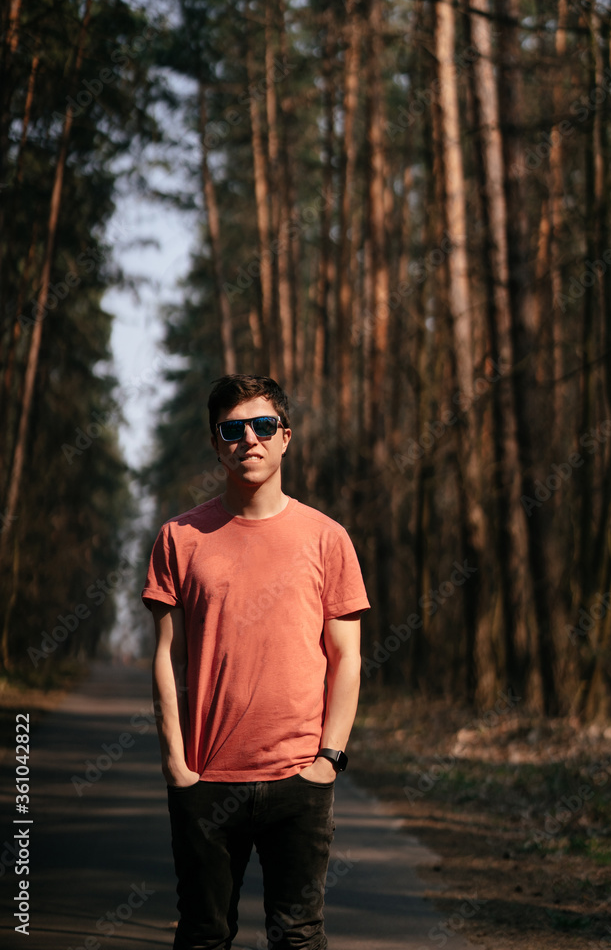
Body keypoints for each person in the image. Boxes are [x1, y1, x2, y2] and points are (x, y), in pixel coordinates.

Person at [142, 373, 369, 950]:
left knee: (297, 936)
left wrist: (329, 759)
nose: (250, 439)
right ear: (217, 444)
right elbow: (167, 656)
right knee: (203, 935)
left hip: (299, 779)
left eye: (263, 426)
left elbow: (347, 657)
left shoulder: (327, 538)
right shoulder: (179, 538)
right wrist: (176, 763)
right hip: (205, 777)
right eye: (233, 429)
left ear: (285, 436)